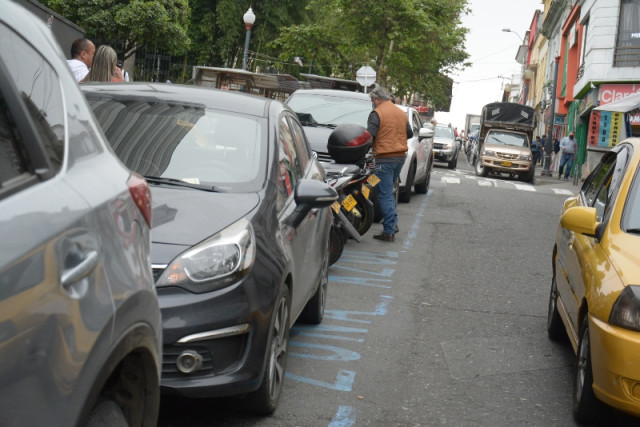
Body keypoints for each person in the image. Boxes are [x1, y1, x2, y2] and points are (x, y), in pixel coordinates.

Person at [367, 84, 412, 242]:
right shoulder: (401, 113)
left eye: (372, 100)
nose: (372, 103)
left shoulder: (377, 113)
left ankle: (389, 231)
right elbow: (410, 133)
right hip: (400, 158)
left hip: (383, 159)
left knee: (384, 193)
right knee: (388, 190)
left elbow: (369, 136)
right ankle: (393, 223)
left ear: (378, 99)